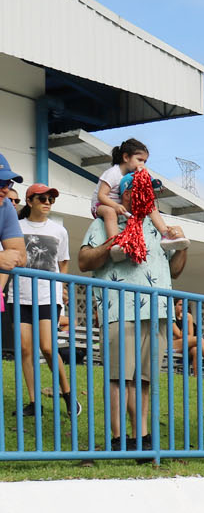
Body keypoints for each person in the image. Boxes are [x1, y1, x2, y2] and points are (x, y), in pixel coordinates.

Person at [76, 168, 190, 452]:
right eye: (141, 189)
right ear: (126, 192)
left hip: (157, 312)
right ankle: (117, 439)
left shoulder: (158, 225)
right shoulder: (105, 222)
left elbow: (175, 271)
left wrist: (182, 247)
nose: (146, 195)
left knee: (144, 380)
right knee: (119, 376)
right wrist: (113, 244)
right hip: (120, 309)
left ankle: (141, 437)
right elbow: (84, 261)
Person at [15, 184, 79, 418]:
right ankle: (34, 402)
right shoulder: (16, 227)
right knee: (24, 348)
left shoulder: (59, 230)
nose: (48, 203)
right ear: (30, 201)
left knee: (48, 347)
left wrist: (61, 288)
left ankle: (68, 393)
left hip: (47, 295)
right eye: (42, 198)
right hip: (19, 294)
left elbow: (63, 261)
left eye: (51, 199)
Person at [91, 138, 183, 261]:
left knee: (150, 205)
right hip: (101, 205)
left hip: (121, 206)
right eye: (139, 160)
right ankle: (116, 243)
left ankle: (165, 234)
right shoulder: (113, 173)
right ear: (126, 157)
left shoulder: (133, 174)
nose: (142, 164)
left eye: (145, 161)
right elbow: (101, 196)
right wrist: (115, 206)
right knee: (110, 212)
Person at [0, 153, 28, 305]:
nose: (5, 190)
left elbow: (20, 257)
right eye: (0, 183)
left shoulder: (6, 206)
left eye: (8, 184)